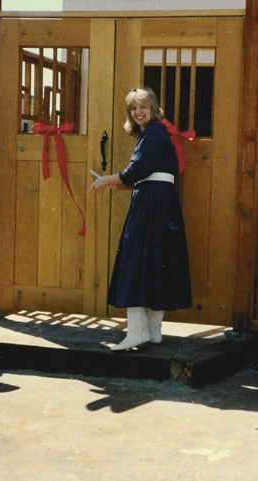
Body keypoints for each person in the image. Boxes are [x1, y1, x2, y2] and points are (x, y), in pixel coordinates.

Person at [90, 88, 192, 350]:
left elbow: (137, 170)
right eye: (133, 108)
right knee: (158, 263)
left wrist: (106, 180)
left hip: (152, 205)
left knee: (135, 262)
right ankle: (153, 331)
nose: (138, 112)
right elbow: (145, 174)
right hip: (161, 202)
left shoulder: (154, 133)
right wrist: (122, 184)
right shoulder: (156, 134)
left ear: (153, 108)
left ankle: (137, 332)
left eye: (143, 106)